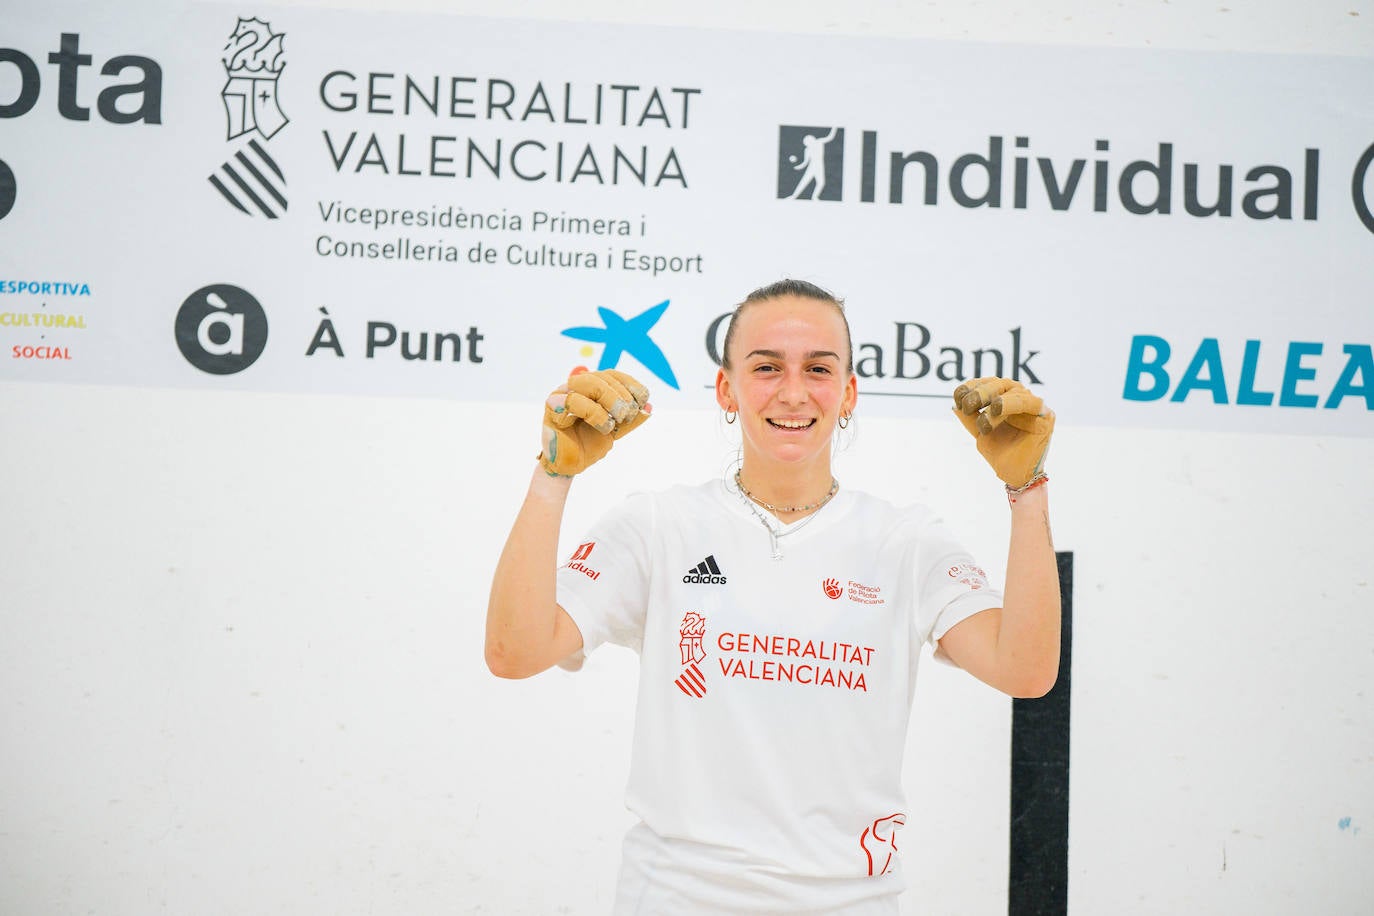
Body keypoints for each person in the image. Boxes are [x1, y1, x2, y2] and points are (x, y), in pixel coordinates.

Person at [486, 279, 1060, 914]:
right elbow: (516, 652)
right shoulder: (658, 525)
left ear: (848, 394)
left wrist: (1026, 490)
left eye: (819, 368)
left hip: (852, 900)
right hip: (676, 898)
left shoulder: (907, 540)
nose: (793, 391)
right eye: (766, 368)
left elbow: (1026, 671)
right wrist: (552, 477)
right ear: (727, 390)